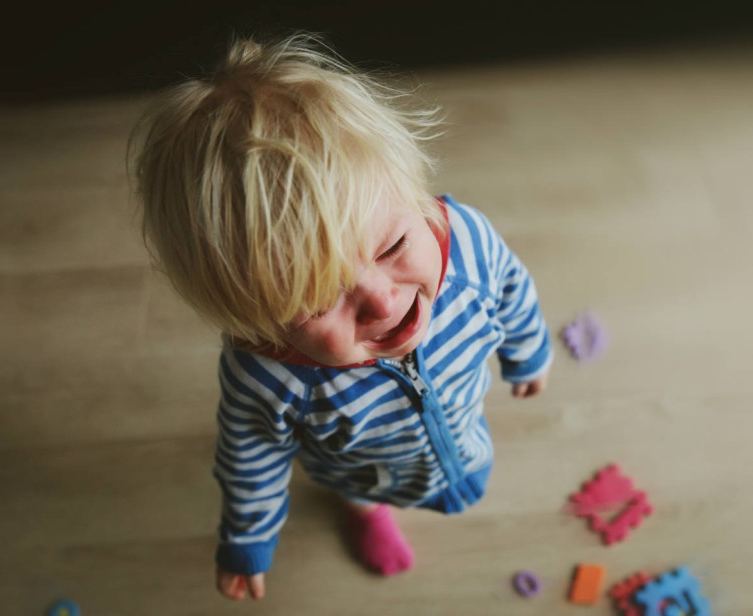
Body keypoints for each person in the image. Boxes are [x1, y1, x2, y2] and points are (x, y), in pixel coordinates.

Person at [129, 32, 552, 602]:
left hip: (461, 405)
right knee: (362, 490)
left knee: (459, 431)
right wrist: (246, 540)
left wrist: (527, 352)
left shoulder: (466, 242)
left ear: (414, 192)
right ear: (259, 322)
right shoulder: (269, 378)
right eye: (321, 299)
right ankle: (366, 512)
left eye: (392, 246)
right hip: (361, 468)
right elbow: (249, 458)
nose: (382, 301)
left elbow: (512, 288)